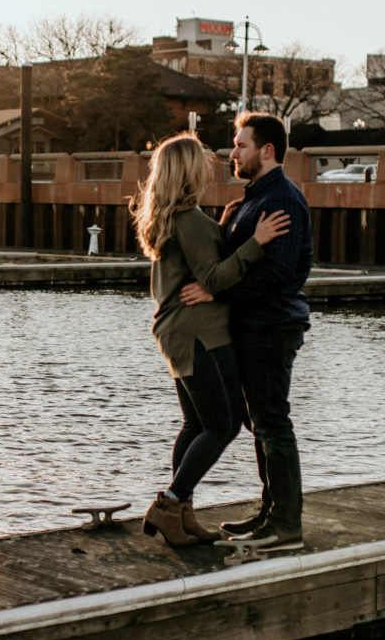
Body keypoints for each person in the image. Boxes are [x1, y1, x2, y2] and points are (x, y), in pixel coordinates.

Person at [131, 132, 290, 548]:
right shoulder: (190, 221)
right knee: (223, 425)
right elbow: (214, 276)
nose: (209, 167)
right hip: (202, 333)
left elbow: (198, 261)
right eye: (201, 161)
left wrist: (220, 227)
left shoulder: (171, 219)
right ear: (187, 170)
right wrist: (257, 242)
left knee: (197, 423)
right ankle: (170, 503)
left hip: (176, 332)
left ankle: (181, 517)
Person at [180, 112, 313, 553]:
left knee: (272, 421)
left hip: (272, 325)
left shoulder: (283, 201)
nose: (233, 153)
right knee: (259, 423)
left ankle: (286, 524)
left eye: (241, 145)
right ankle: (269, 512)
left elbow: (278, 275)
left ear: (267, 150)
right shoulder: (255, 198)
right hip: (253, 325)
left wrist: (217, 295)